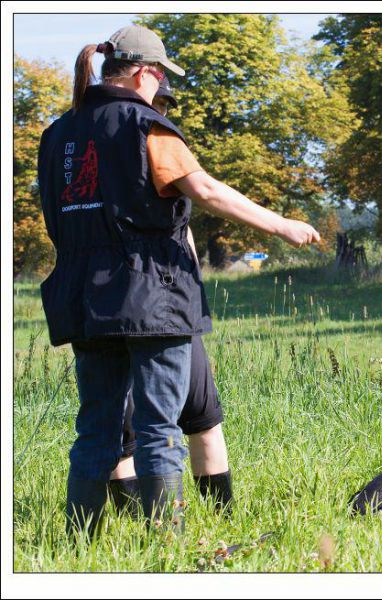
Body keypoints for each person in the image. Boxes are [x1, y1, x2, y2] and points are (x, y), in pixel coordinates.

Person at [37, 25, 319, 537]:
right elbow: (204, 189)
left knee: (96, 428)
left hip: (82, 301)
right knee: (158, 429)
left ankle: (78, 543)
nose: (161, 85)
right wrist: (282, 225)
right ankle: (167, 544)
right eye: (161, 74)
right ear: (145, 72)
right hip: (151, 299)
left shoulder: (57, 134)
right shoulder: (146, 125)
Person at [108, 78, 232, 516]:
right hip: (154, 302)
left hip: (136, 304)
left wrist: (193, 298)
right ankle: (151, 526)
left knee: (197, 416)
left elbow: (185, 234)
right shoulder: (151, 142)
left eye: (164, 105)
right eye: (158, 102)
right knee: (142, 426)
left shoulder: (100, 144)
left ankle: (218, 517)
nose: (161, 110)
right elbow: (204, 199)